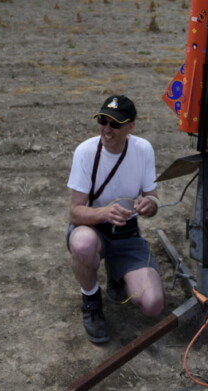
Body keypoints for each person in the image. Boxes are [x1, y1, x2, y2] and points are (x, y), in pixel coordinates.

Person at [66, 95, 165, 344]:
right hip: (93, 228)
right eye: (103, 121)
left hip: (126, 232)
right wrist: (103, 213)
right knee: (83, 245)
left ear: (130, 126)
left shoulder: (143, 149)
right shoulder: (86, 151)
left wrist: (149, 205)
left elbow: (152, 198)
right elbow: (75, 212)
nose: (107, 129)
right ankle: (91, 300)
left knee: (153, 304)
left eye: (115, 124)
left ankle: (116, 272)